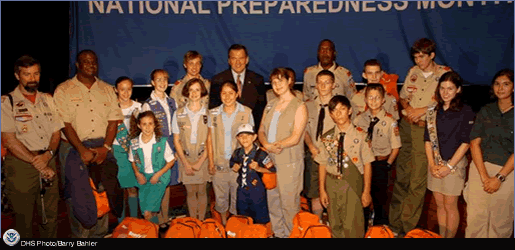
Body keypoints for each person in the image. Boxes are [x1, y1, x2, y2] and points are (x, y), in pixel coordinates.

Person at [54, 50, 124, 238]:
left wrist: (106, 148)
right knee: (79, 197)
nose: (91, 65)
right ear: (77, 65)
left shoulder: (107, 89)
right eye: (86, 62)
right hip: (74, 149)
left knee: (102, 192)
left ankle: (99, 235)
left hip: (102, 147)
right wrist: (81, 150)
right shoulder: (64, 90)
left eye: (94, 62)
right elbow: (65, 124)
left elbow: (113, 121)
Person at [389, 38, 451, 236]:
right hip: (406, 127)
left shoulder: (444, 74)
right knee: (402, 177)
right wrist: (409, 108)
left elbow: (448, 100)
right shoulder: (412, 72)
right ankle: (393, 224)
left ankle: (407, 230)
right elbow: (403, 96)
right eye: (415, 57)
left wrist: (422, 110)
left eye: (422, 57)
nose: (418, 61)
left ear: (432, 55)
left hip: (424, 130)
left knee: (417, 181)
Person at [1, 55, 62, 238]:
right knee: (23, 219)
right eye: (27, 74)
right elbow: (9, 140)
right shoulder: (7, 102)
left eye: (36, 74)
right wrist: (39, 164)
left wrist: (48, 155)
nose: (32, 78)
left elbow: (56, 133)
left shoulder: (47, 99)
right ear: (17, 76)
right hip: (22, 166)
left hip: (48, 159)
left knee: (49, 216)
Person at [423, 71, 475, 238]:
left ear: (458, 90)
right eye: (442, 88)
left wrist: (449, 166)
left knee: (450, 204)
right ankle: (441, 237)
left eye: (450, 89)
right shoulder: (432, 110)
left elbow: (466, 143)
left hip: (454, 165)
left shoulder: (466, 111)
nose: (445, 92)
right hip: (435, 164)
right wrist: (432, 164)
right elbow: (427, 140)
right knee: (439, 204)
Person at [258, 68, 308, 238]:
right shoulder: (270, 104)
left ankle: (292, 235)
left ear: (289, 81)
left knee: (289, 204)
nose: (277, 85)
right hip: (270, 161)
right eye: (273, 82)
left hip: (290, 161)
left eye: (280, 80)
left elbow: (295, 137)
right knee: (273, 202)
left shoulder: (299, 105)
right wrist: (266, 144)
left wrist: (275, 145)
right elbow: (261, 130)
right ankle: (278, 234)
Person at [464, 69, 514, 238]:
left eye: (506, 84)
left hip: (508, 171)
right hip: (480, 167)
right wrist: (484, 177)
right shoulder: (486, 110)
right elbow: (474, 143)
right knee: (475, 219)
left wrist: (499, 178)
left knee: (501, 221)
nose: (501, 88)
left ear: (513, 87)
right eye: (497, 84)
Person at [316, 95, 374, 238]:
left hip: (352, 184)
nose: (339, 113)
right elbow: (322, 164)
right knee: (335, 222)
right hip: (332, 183)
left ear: (349, 111)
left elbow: (367, 164)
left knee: (354, 223)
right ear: (330, 114)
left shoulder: (361, 135)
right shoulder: (327, 138)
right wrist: (322, 190)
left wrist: (366, 191)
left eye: (342, 109)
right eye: (334, 110)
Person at [353, 84, 401, 230]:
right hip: (363, 165)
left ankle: (379, 230)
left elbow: (396, 147)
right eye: (370, 98)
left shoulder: (390, 121)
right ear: (366, 100)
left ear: (383, 100)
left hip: (381, 164)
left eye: (377, 98)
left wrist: (388, 164)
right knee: (363, 197)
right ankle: (363, 228)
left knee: (380, 199)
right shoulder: (359, 119)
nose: (373, 101)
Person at [207, 80, 254, 225]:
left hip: (238, 166)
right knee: (220, 199)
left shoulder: (246, 112)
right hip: (219, 164)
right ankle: (223, 225)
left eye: (231, 93)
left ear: (237, 94)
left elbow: (251, 140)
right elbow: (209, 139)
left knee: (237, 198)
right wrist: (210, 161)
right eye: (224, 93)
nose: (227, 97)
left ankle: (234, 226)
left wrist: (243, 162)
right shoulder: (213, 113)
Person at [141, 69, 178, 225]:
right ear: (152, 83)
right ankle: (153, 220)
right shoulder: (147, 105)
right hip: (155, 148)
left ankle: (164, 217)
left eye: (165, 79)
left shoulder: (172, 101)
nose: (162, 82)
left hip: (171, 146)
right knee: (154, 182)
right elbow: (145, 131)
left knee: (166, 182)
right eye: (159, 79)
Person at [172, 78, 211, 221]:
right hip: (185, 158)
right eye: (191, 90)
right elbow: (176, 139)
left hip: (203, 158)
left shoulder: (209, 114)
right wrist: (186, 163)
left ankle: (201, 222)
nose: (194, 93)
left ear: (202, 92)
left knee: (201, 191)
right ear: (186, 92)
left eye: (197, 89)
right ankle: (193, 222)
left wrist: (200, 162)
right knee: (190, 192)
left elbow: (210, 141)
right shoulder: (178, 113)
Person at [128, 111, 176, 224]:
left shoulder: (161, 142)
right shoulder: (134, 143)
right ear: (139, 126)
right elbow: (132, 161)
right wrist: (137, 174)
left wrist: (157, 175)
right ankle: (155, 230)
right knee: (146, 211)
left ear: (155, 125)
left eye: (150, 123)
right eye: (144, 124)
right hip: (144, 178)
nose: (147, 127)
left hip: (159, 178)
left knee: (147, 212)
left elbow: (171, 161)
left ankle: (153, 230)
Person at [303, 70, 337, 221]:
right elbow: (303, 129)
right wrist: (311, 146)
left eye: (327, 82)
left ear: (333, 85)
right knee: (314, 191)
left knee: (332, 191)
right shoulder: (308, 105)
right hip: (313, 154)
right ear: (316, 85)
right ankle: (317, 225)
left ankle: (332, 224)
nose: (323, 86)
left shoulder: (340, 105)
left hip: (333, 157)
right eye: (320, 82)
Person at [209, 44, 267, 130]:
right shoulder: (218, 80)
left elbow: (261, 110)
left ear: (247, 60)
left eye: (241, 58)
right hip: (224, 131)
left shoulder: (257, 79)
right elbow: (213, 109)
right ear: (229, 61)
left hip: (250, 133)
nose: (238, 62)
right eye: (234, 58)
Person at [230, 123, 276, 226]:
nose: (244, 138)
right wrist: (234, 167)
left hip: (257, 191)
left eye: (248, 135)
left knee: (259, 218)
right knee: (243, 217)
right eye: (241, 136)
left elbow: (272, 170)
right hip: (242, 190)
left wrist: (259, 168)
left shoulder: (261, 154)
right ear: (237, 138)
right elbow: (232, 163)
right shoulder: (237, 153)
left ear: (254, 137)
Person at [113, 76, 142, 222]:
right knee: (119, 189)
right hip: (116, 152)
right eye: (122, 89)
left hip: (133, 152)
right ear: (116, 90)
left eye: (129, 89)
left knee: (132, 188)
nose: (125, 92)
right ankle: (121, 223)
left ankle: (134, 221)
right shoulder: (111, 107)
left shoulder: (138, 107)